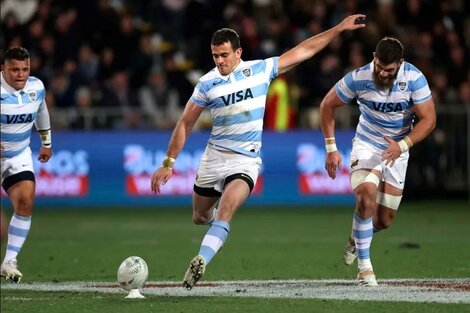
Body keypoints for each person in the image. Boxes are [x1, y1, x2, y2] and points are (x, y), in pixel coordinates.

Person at [151, 14, 366, 290]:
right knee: (200, 217)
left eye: (224, 55)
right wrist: (168, 162)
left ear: (238, 52)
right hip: (214, 158)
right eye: (215, 55)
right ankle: (216, 229)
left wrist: (337, 29)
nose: (219, 61)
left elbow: (303, 51)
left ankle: (200, 261)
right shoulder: (207, 83)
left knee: (227, 210)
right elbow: (185, 122)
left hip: (246, 160)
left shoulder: (261, 70)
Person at [320, 37, 436, 286]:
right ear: (374, 57)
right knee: (365, 197)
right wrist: (331, 148)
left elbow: (429, 119)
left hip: (398, 148)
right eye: (379, 66)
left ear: (400, 64)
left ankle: (355, 239)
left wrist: (401, 145)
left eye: (389, 69)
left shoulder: (414, 79)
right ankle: (365, 269)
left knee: (383, 220)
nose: (383, 73)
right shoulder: (359, 78)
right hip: (367, 144)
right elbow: (327, 105)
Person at [0, 47, 53, 282]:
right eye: (14, 70)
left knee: (25, 200)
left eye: (25, 69)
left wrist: (46, 142)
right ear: (3, 68)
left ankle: (9, 261)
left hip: (18, 153)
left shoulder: (36, 87)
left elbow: (41, 110)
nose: (21, 74)